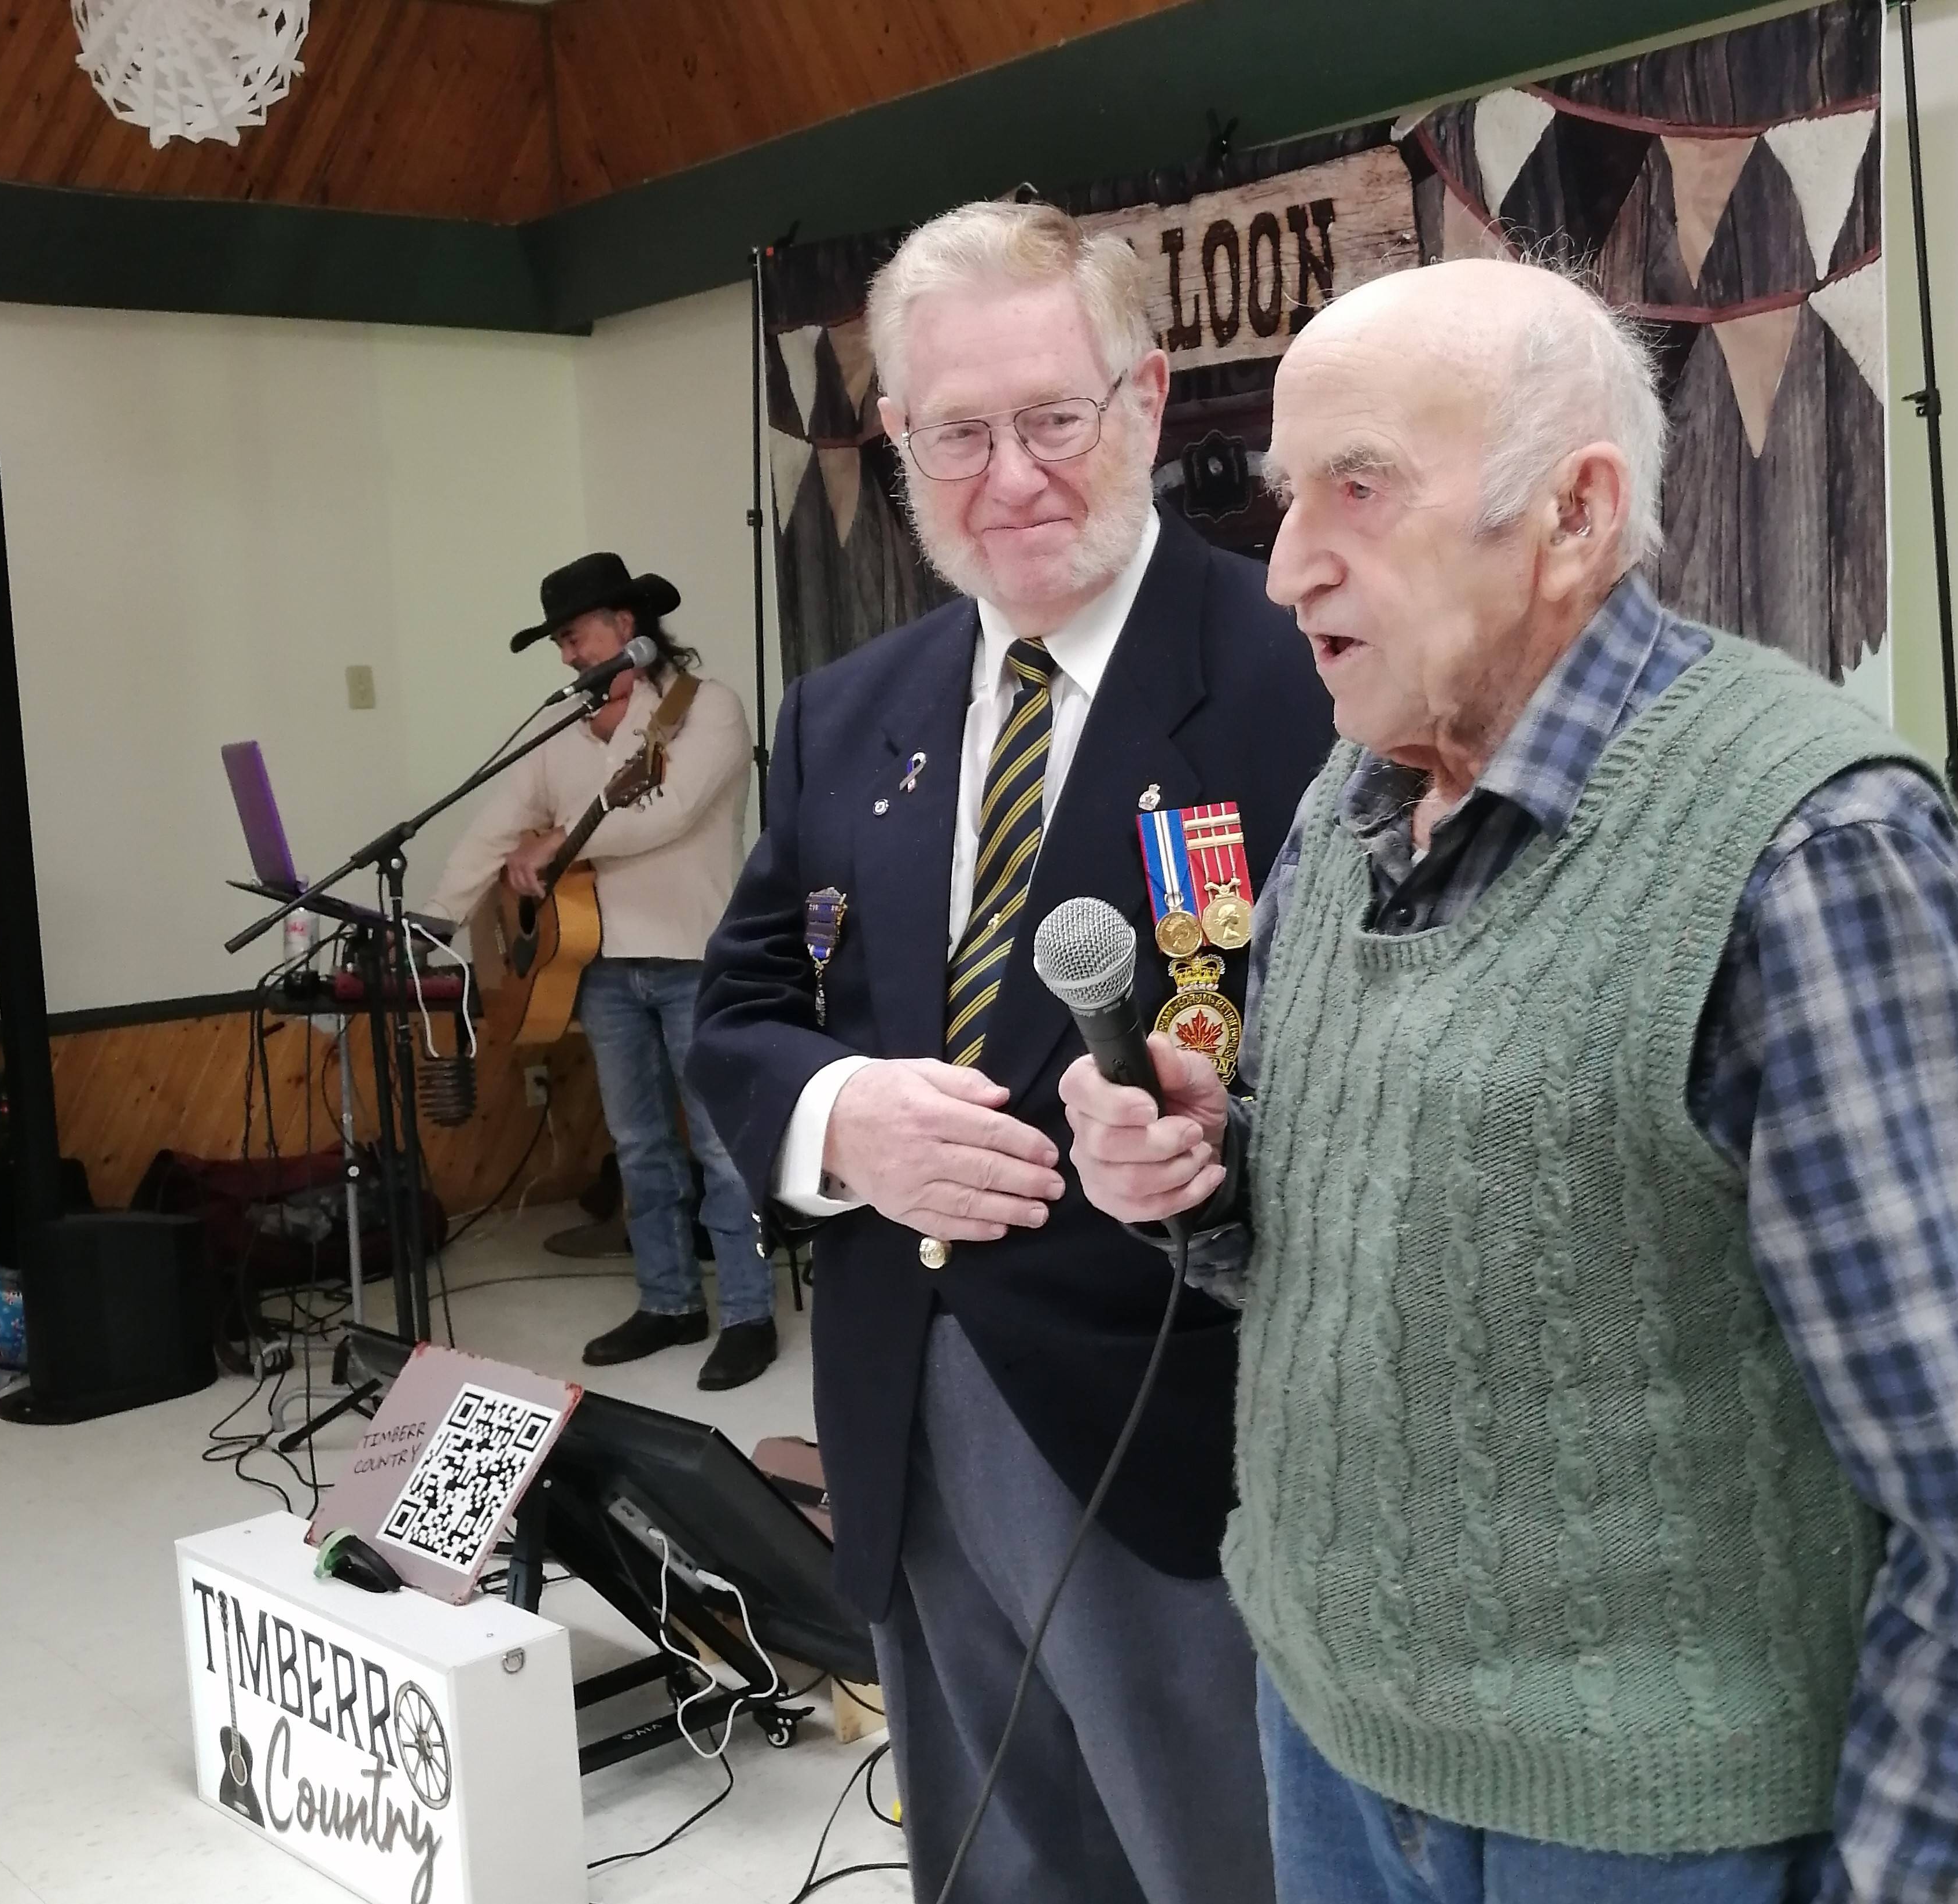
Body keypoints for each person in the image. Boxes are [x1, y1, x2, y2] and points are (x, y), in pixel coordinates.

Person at [1061, 258, 1958, 1904]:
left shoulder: (1809, 849)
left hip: (1647, 1836)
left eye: (1360, 487)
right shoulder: (1351, 799)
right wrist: (1207, 1177)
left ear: (1573, 514)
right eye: (1283, 498)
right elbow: (1396, 1246)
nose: (1285, 571)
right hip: (1332, 1745)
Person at [684, 200, 1333, 1904]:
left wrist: (1221, 1139)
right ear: (896, 438)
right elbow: (740, 1011)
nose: (1013, 475)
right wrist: (844, 1116)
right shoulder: (849, 712)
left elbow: (1398, 1047)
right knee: (992, 1870)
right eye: (957, 431)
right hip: (908, 1417)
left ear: (1148, 394)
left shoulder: (1297, 676)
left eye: (1054, 416)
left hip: (1194, 1436)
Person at [425, 553, 772, 1391]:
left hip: (698, 960)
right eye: (560, 643)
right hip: (604, 969)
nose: (569, 655)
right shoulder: (562, 742)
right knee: (641, 1146)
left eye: (576, 636)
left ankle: (751, 1314)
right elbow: (497, 825)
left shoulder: (706, 710)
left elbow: (671, 811)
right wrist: (435, 919)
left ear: (627, 627)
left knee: (725, 1149)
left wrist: (559, 843)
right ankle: (668, 1301)